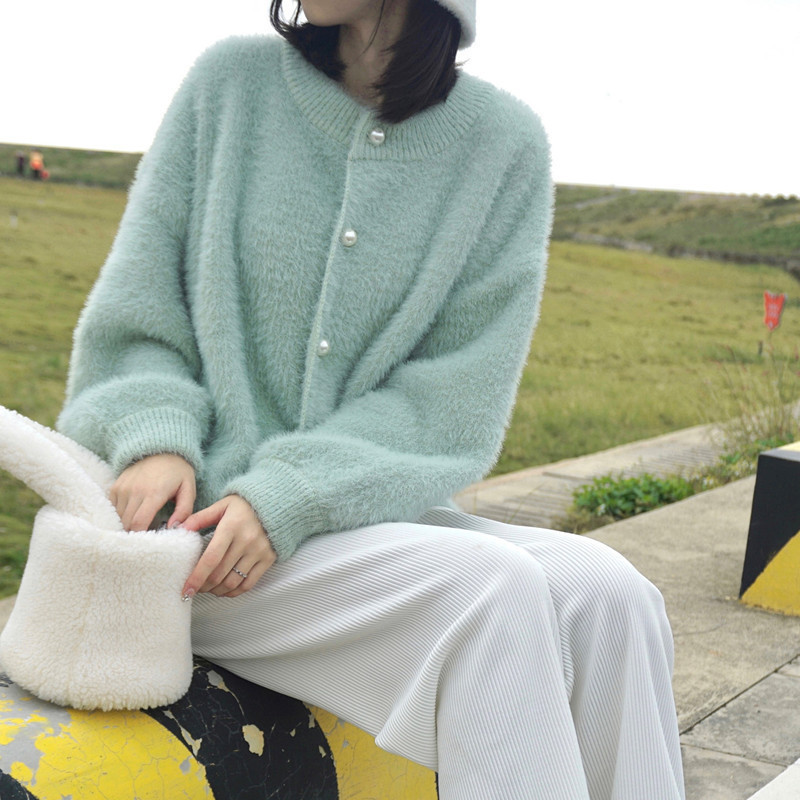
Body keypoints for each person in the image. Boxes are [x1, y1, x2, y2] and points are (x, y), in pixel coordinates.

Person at [57, 1, 685, 798]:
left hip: (353, 523)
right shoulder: (230, 85)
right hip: (197, 545)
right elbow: (138, 307)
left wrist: (293, 490)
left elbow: (452, 394)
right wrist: (153, 434)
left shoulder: (504, 144)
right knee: (491, 590)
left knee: (610, 595)